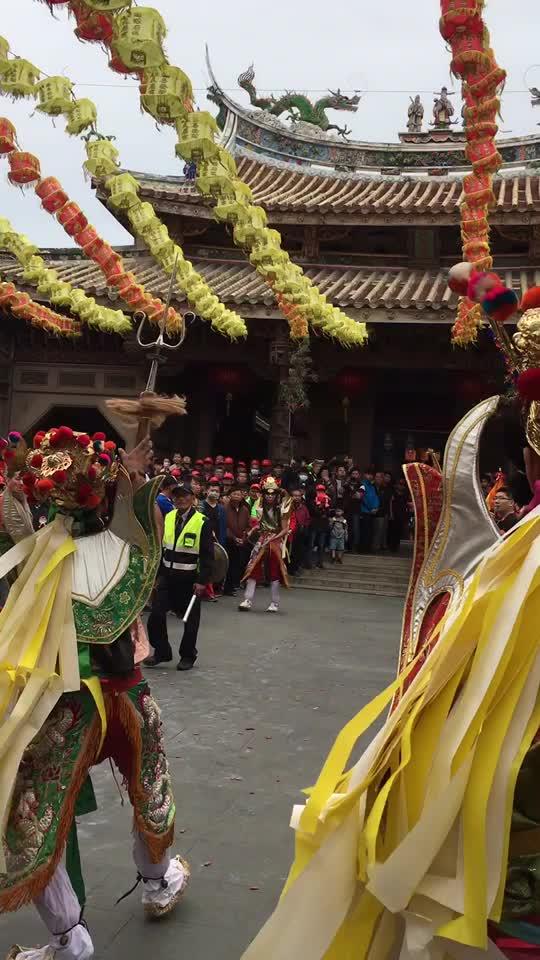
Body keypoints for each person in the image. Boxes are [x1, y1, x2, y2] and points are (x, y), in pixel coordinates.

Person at [0, 428, 189, 960]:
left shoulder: (37, 555)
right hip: (131, 696)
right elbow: (146, 523)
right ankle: (158, 879)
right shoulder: (123, 548)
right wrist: (131, 482)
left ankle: (70, 939)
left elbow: (11, 546)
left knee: (29, 812)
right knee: (148, 785)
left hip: (65, 707)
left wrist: (13, 503)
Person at [146, 483, 214, 671]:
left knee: (190, 621)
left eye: (185, 496)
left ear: (193, 498)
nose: (180, 499)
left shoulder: (202, 521)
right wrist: (157, 575)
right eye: (177, 496)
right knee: (156, 616)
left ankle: (188, 655)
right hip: (168, 577)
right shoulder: (168, 517)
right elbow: (163, 548)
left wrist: (202, 581)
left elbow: (208, 555)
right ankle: (162, 651)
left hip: (190, 579)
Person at [239, 476, 291, 613]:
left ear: (276, 495)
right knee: (253, 566)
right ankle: (247, 599)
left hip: (275, 540)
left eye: (272, 493)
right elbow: (259, 524)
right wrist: (253, 530)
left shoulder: (282, 509)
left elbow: (285, 529)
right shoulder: (260, 507)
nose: (269, 496)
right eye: (267, 493)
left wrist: (274, 537)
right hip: (262, 539)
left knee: (275, 570)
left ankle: (275, 602)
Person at [200, 479, 227, 600]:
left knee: (214, 565)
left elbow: (223, 525)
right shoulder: (201, 505)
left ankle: (212, 589)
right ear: (206, 491)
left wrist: (221, 541)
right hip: (204, 539)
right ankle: (205, 591)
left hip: (217, 540)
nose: (214, 493)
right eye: (212, 490)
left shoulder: (221, 508)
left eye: (217, 491)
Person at [223, 483, 251, 595]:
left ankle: (231, 586)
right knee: (227, 564)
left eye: (238, 494)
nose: (236, 496)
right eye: (234, 494)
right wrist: (234, 538)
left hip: (241, 541)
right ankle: (223, 587)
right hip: (228, 540)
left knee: (236, 564)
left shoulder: (245, 509)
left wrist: (244, 537)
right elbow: (224, 526)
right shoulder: (224, 508)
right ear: (229, 495)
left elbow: (248, 525)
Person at [288, 487, 311, 575]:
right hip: (289, 533)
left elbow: (307, 519)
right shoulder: (287, 506)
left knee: (298, 552)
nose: (297, 497)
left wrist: (304, 526)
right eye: (295, 496)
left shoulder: (304, 507)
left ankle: (295, 568)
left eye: (298, 496)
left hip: (300, 533)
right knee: (288, 552)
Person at [308, 484, 331, 568]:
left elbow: (329, 512)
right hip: (314, 524)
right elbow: (314, 511)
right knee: (311, 544)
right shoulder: (312, 501)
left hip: (323, 525)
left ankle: (320, 562)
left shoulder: (327, 500)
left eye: (322, 491)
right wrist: (320, 507)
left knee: (321, 545)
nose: (320, 492)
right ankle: (309, 563)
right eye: (319, 490)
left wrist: (325, 506)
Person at [359, 467, 379, 552]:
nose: (370, 476)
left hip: (372, 512)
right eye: (368, 474)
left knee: (371, 531)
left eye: (371, 475)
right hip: (365, 511)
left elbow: (375, 498)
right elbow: (362, 498)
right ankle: (363, 549)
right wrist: (371, 508)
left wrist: (376, 507)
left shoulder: (372, 486)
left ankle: (368, 548)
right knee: (365, 531)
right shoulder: (362, 485)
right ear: (364, 475)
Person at [387, 474, 409, 552]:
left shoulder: (406, 491)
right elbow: (390, 503)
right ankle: (391, 546)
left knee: (399, 530)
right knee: (393, 530)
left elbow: (406, 502)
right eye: (400, 482)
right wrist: (391, 513)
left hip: (402, 513)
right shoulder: (393, 490)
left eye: (403, 482)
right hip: (394, 512)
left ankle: (396, 546)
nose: (401, 484)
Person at [372, 469, 391, 551]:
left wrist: (378, 509)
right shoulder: (371, 486)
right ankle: (371, 546)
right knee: (371, 531)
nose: (378, 478)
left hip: (381, 512)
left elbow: (385, 501)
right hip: (370, 511)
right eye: (377, 477)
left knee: (379, 531)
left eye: (380, 477)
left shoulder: (386, 488)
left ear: (382, 479)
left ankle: (376, 547)